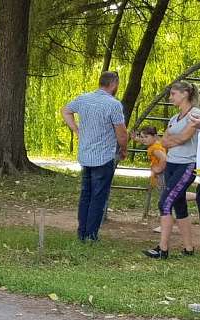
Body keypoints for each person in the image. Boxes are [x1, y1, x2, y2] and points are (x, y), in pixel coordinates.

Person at [61, 71, 128, 242]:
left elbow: (66, 110)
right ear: (113, 84)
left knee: (86, 194)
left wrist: (76, 129)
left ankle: (82, 232)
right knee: (98, 197)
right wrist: (123, 149)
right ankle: (91, 235)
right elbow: (121, 133)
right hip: (104, 157)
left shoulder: (83, 99)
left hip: (85, 155)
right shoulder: (113, 105)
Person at [143, 82, 200, 259]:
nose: (170, 97)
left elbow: (183, 138)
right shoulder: (174, 119)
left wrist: (174, 139)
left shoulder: (195, 113)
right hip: (172, 164)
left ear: (184, 94)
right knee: (179, 204)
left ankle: (163, 249)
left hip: (186, 165)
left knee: (164, 203)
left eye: (173, 94)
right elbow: (164, 141)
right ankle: (189, 248)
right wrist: (174, 140)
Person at [135, 127, 168, 233]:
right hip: (161, 176)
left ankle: (165, 225)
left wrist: (158, 169)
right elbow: (146, 140)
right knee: (174, 195)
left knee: (164, 201)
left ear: (154, 136)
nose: (143, 139)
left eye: (146, 137)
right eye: (142, 137)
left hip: (161, 176)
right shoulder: (155, 143)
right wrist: (136, 138)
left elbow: (164, 159)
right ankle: (196, 196)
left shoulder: (155, 149)